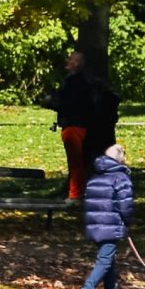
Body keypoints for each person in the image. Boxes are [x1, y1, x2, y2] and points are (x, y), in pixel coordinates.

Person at [43, 49, 121, 199]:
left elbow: (68, 104)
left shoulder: (73, 83)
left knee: (75, 162)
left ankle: (75, 194)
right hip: (83, 126)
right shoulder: (85, 83)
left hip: (73, 126)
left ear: (77, 64)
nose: (67, 61)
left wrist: (50, 102)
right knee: (82, 161)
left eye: (71, 59)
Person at [77, 141, 134, 289]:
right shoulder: (121, 178)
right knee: (105, 259)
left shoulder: (95, 177)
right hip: (111, 225)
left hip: (94, 225)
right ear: (120, 158)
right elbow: (126, 205)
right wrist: (128, 222)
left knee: (108, 258)